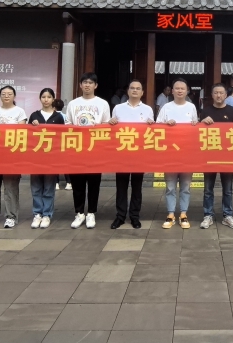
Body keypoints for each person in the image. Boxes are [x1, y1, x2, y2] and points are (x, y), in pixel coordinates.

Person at [66, 72, 111, 230]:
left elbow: (106, 125)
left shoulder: (103, 104)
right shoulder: (73, 104)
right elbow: (68, 124)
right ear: (80, 85)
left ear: (95, 85)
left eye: (90, 82)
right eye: (84, 82)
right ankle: (79, 213)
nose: (87, 85)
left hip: (94, 148)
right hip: (77, 148)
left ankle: (91, 212)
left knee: (93, 183)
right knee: (77, 183)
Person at [109, 79, 155, 229]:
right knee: (121, 187)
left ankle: (135, 216)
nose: (135, 90)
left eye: (138, 88)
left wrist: (151, 125)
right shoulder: (118, 108)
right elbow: (112, 131)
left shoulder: (148, 109)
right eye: (132, 88)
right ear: (128, 91)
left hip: (139, 154)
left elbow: (152, 132)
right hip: (122, 153)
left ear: (142, 92)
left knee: (137, 187)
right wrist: (111, 123)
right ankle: (120, 216)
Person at [156, 78, 198, 229]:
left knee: (186, 186)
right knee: (170, 187)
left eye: (182, 88)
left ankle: (184, 214)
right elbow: (157, 127)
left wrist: (195, 125)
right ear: (172, 91)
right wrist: (166, 125)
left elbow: (196, 128)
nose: (180, 90)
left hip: (187, 154)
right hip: (170, 154)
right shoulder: (166, 107)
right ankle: (170, 214)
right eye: (177, 88)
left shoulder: (191, 107)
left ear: (187, 91)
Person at [0, 85, 27, 229]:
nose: (6, 96)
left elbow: (21, 131)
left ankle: (11, 217)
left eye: (9, 93)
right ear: (0, 96)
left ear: (14, 96)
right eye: (3, 94)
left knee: (10, 187)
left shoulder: (20, 112)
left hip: (11, 155)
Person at [199, 83, 233, 230]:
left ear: (226, 95)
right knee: (208, 189)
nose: (218, 95)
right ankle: (208, 215)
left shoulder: (232, 111)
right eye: (216, 92)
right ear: (212, 95)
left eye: (221, 93)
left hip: (227, 156)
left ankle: (227, 215)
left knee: (227, 189)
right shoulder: (205, 111)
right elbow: (198, 132)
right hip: (209, 155)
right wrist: (202, 122)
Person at [28, 89, 66, 229]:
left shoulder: (58, 117)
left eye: (49, 97)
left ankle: (47, 214)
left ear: (53, 99)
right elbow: (27, 136)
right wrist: (32, 126)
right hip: (36, 157)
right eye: (43, 97)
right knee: (36, 187)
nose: (46, 99)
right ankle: (37, 213)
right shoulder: (34, 115)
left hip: (51, 158)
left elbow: (62, 137)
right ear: (40, 99)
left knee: (49, 187)